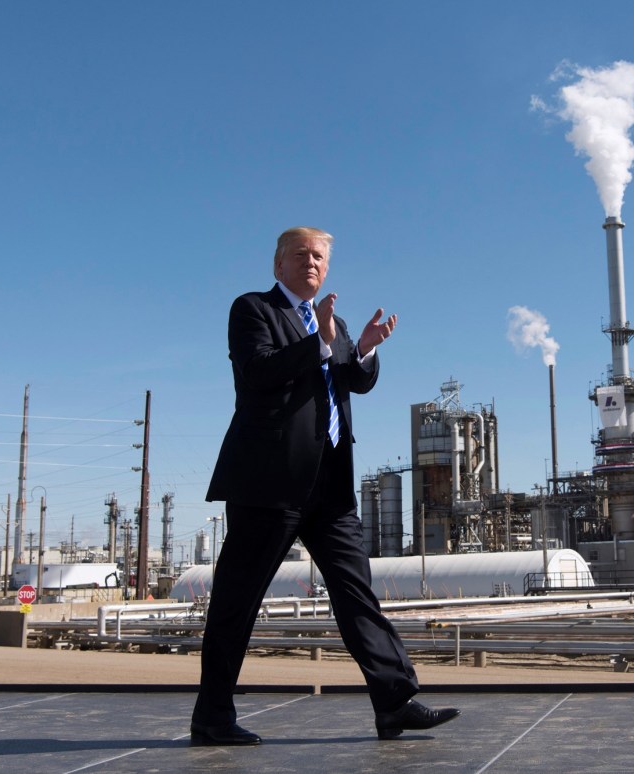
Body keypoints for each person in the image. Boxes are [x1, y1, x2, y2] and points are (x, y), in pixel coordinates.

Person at [190, 226, 459, 745]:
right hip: (269, 483)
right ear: (278, 265)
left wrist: (360, 350)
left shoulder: (332, 324)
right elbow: (259, 370)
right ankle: (212, 717)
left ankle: (394, 702)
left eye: (318, 257)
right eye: (300, 255)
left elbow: (355, 381)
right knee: (236, 602)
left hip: (330, 488)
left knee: (357, 595)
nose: (310, 263)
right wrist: (321, 343)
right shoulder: (253, 310)